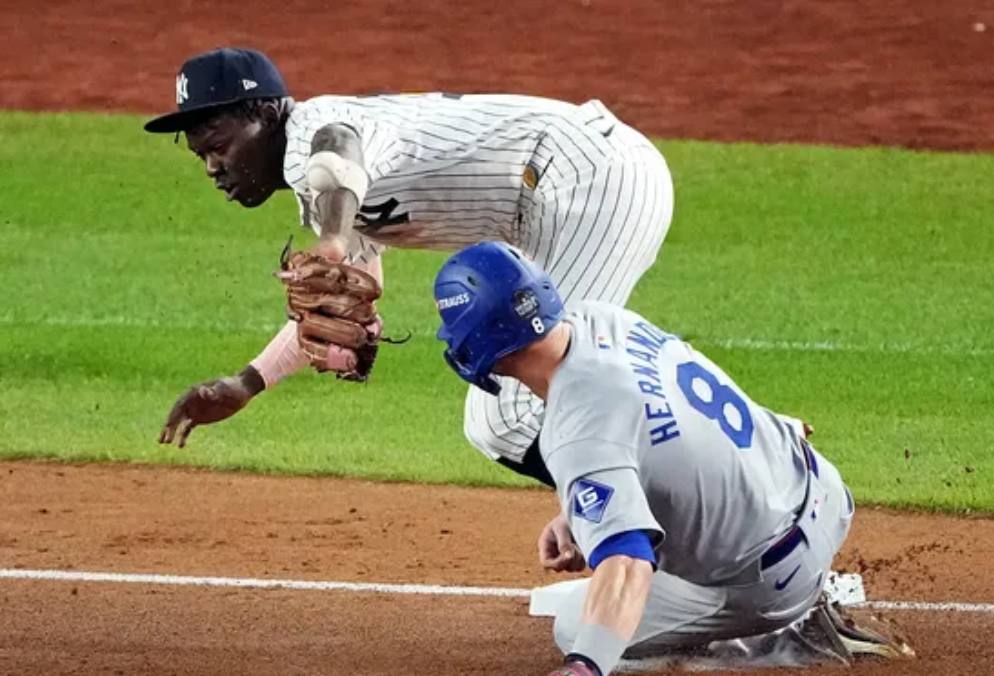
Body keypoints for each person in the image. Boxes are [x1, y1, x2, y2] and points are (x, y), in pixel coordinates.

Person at [145, 48, 674, 482]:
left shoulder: (317, 129)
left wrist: (331, 240)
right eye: (201, 156)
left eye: (219, 145)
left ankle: (667, 526)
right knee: (555, 389)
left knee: (513, 411)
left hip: (587, 178)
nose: (214, 167)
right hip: (561, 199)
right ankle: (672, 517)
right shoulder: (318, 194)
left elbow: (338, 151)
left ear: (265, 114)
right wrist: (246, 383)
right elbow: (336, 300)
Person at [432, 242, 910, 675]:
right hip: (820, 488)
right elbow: (660, 427)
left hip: (775, 579)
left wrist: (584, 667)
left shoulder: (577, 431)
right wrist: (574, 511)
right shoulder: (602, 320)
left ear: (478, 342)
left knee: (579, 628)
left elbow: (627, 562)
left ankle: (781, 636)